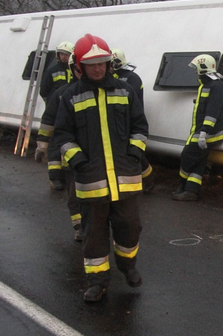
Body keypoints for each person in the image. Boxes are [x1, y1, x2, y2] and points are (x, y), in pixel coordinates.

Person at [53, 34, 149, 302]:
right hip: (91, 180)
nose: (98, 68)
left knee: (130, 227)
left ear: (109, 64)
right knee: (93, 236)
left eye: (103, 63)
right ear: (81, 66)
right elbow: (62, 136)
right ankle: (98, 282)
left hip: (125, 178)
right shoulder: (70, 96)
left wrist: (133, 154)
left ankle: (128, 267)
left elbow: (140, 127)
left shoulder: (125, 91)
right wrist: (78, 161)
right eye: (92, 64)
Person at [36, 54, 85, 241]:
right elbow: (48, 119)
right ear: (73, 69)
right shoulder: (63, 93)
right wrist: (42, 144)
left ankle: (95, 228)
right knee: (74, 195)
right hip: (71, 154)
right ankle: (79, 226)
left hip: (97, 157)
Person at [172, 54, 223, 202]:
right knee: (198, 163)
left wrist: (204, 132)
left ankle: (182, 184)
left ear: (203, 69)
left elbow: (213, 111)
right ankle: (191, 191)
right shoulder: (207, 85)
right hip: (202, 132)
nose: (195, 72)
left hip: (207, 133)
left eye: (196, 69)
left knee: (187, 157)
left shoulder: (216, 86)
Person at [111, 48, 154, 193]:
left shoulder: (131, 78)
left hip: (130, 121)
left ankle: (148, 180)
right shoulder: (116, 77)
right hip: (119, 122)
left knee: (136, 154)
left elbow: (129, 102)